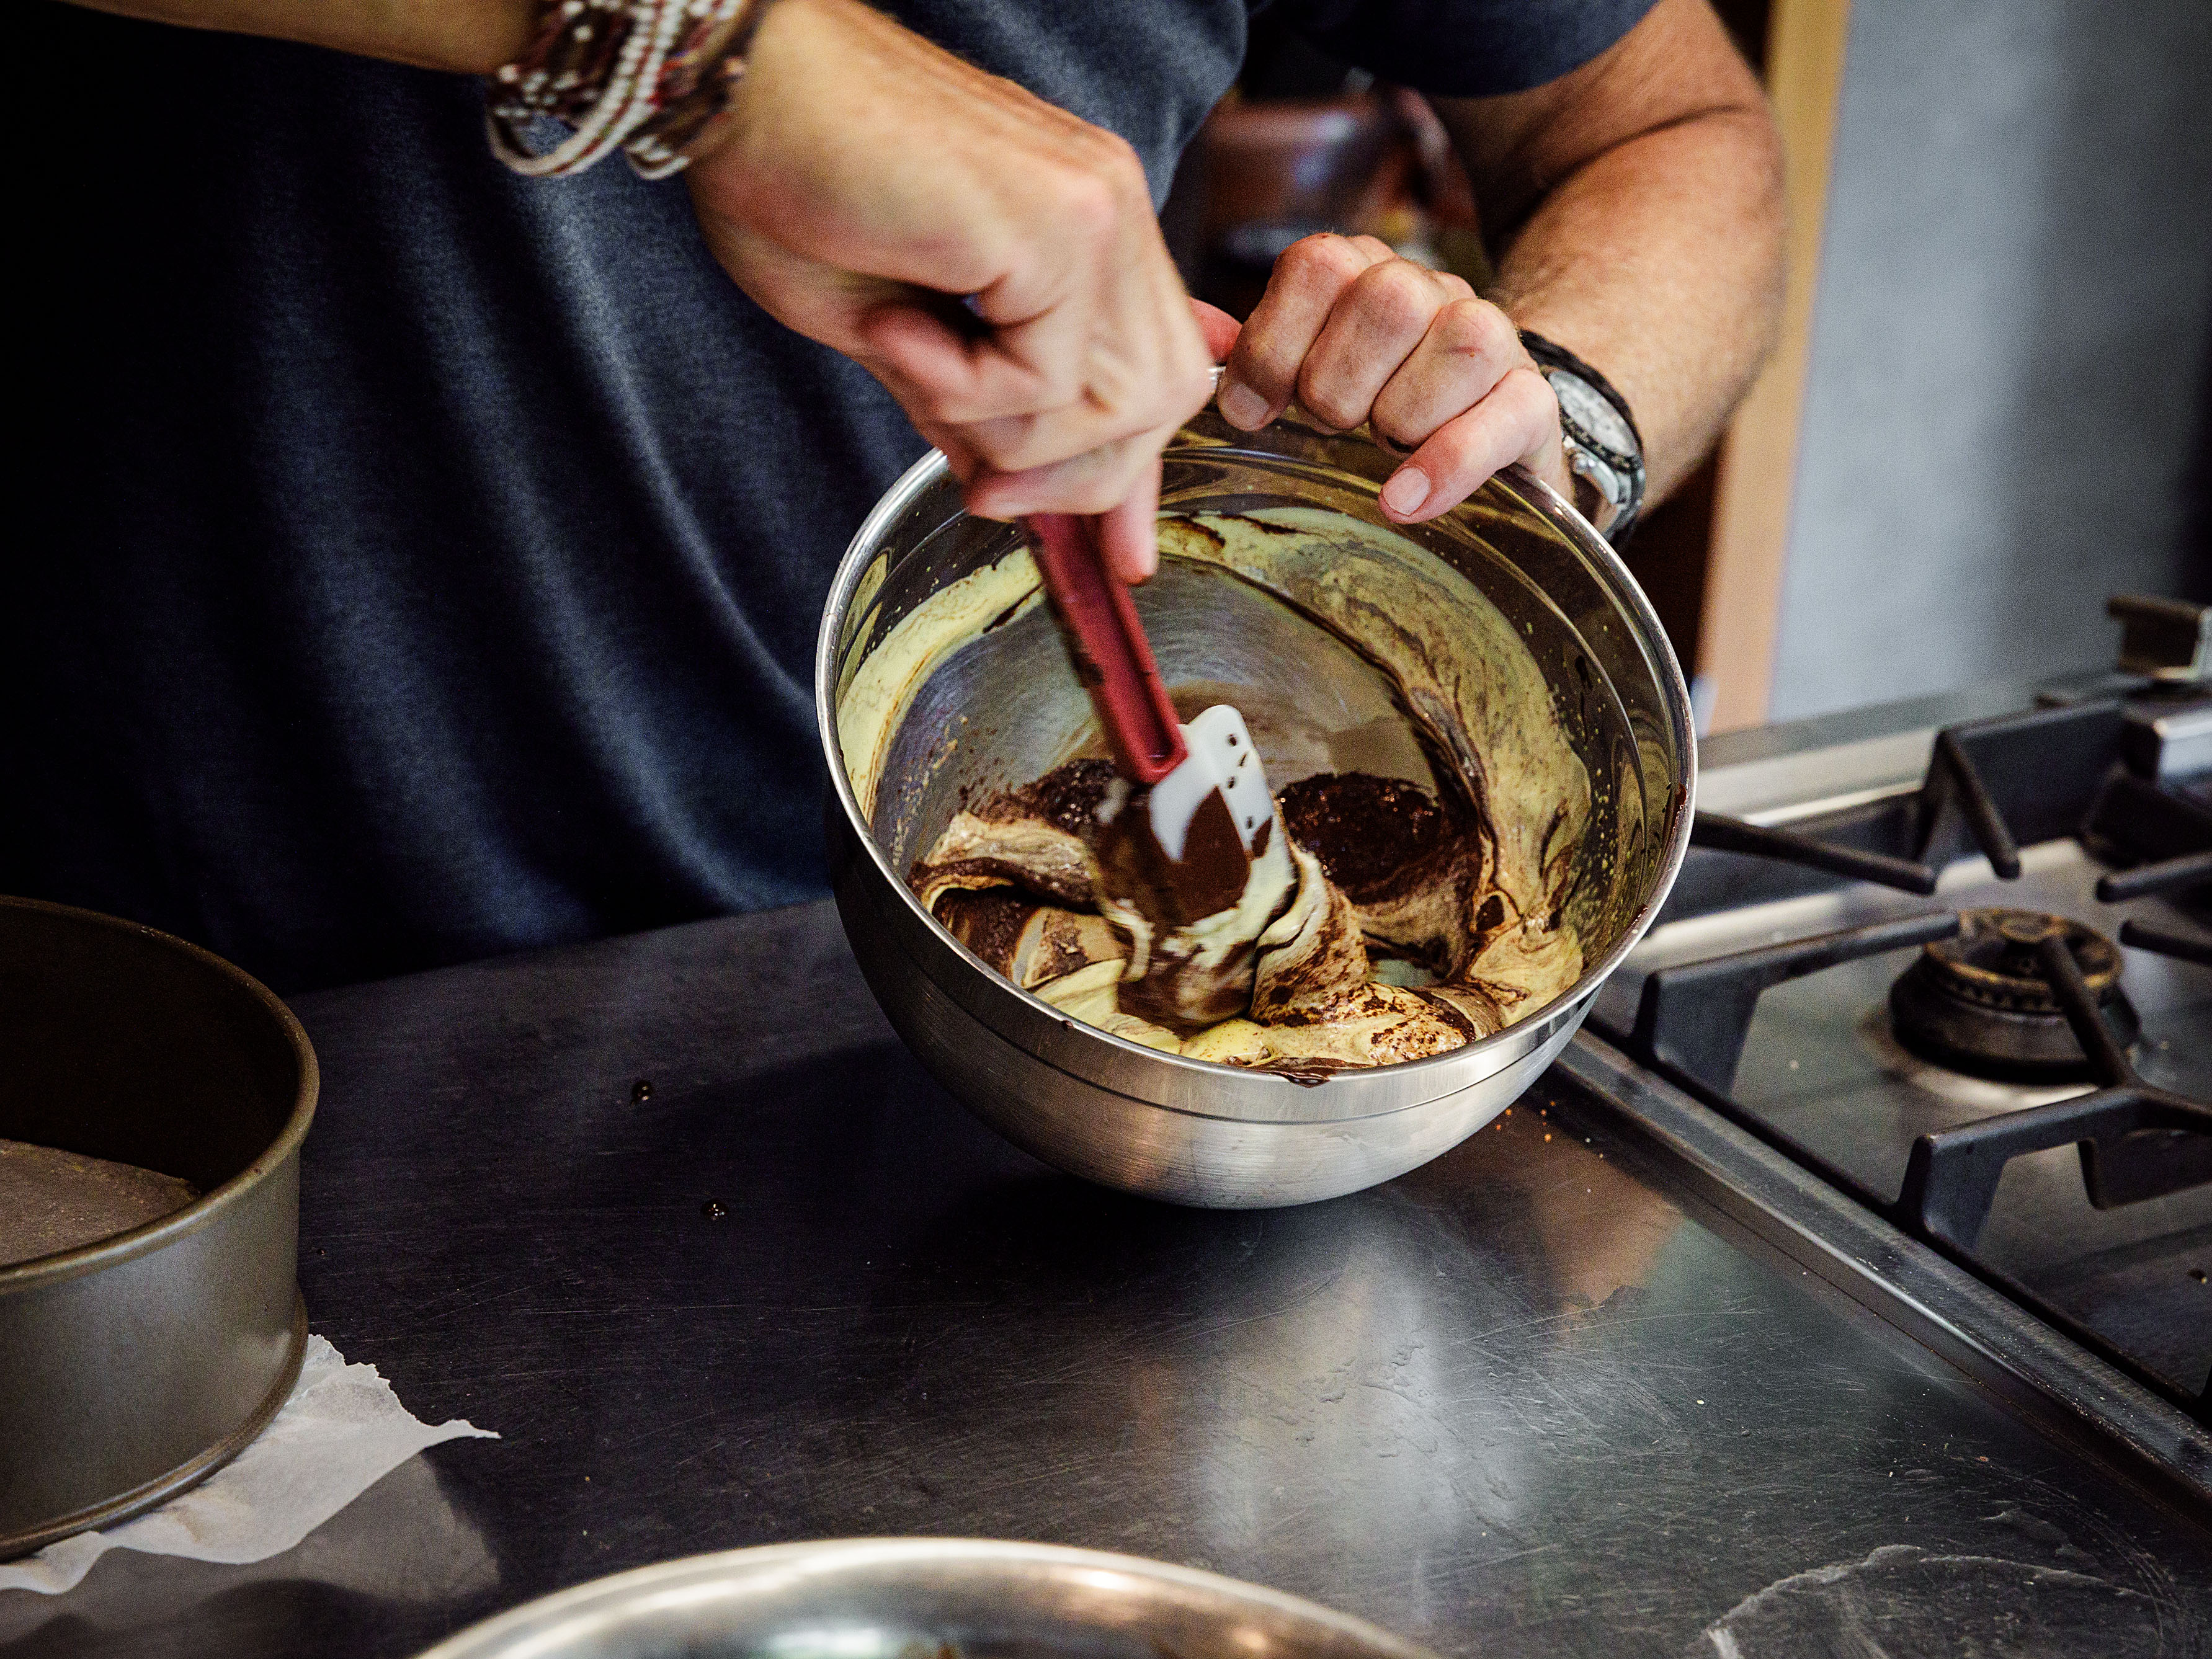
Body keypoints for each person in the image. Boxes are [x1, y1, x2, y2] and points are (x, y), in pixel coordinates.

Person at [8, 0, 1780, 992]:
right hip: (149, 1006)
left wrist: (1547, 424)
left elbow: (1669, 135)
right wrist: (710, 51)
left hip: (901, 1011)